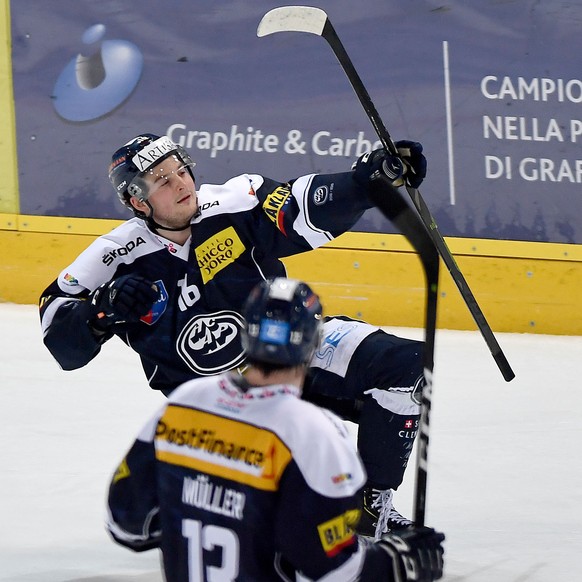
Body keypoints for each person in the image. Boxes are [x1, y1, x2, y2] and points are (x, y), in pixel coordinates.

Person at [39, 133, 427, 538]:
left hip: (291, 356)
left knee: (404, 367)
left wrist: (367, 182)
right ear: (138, 201)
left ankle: (369, 504)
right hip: (218, 403)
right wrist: (99, 311)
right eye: (163, 181)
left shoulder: (237, 199)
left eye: (181, 170)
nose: (182, 184)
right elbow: (60, 337)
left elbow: (301, 208)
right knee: (225, 524)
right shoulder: (114, 256)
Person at [106, 277, 445, 581]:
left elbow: (124, 524)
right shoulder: (314, 431)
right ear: (314, 345)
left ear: (244, 337)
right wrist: (397, 562)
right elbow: (337, 570)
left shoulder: (185, 403)